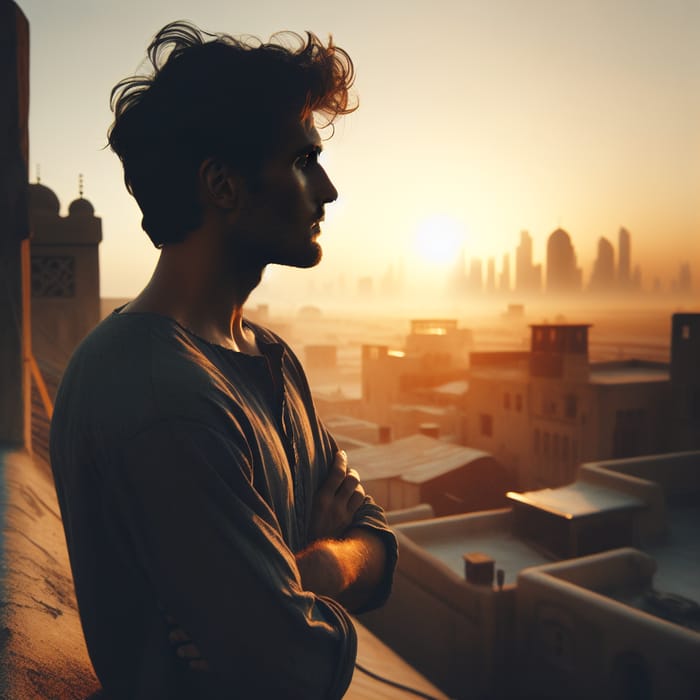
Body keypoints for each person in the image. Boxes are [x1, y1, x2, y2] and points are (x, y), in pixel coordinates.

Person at [49, 21, 397, 700]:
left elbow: (380, 547)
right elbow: (295, 666)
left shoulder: (270, 358)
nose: (327, 190)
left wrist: (315, 570)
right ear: (223, 186)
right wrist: (307, 591)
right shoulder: (161, 395)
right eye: (302, 161)